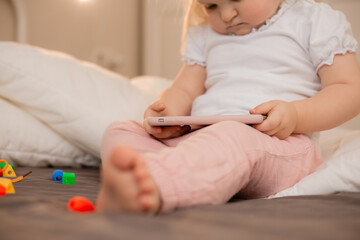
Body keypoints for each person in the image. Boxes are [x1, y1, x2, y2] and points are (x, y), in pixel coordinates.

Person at [96, 0, 360, 214]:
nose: (226, 14)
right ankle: (139, 178)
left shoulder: (312, 20)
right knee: (122, 130)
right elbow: (185, 89)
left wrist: (295, 115)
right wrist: (168, 112)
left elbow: (349, 90)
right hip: (201, 139)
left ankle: (154, 188)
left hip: (280, 145)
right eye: (210, 6)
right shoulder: (204, 36)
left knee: (230, 135)